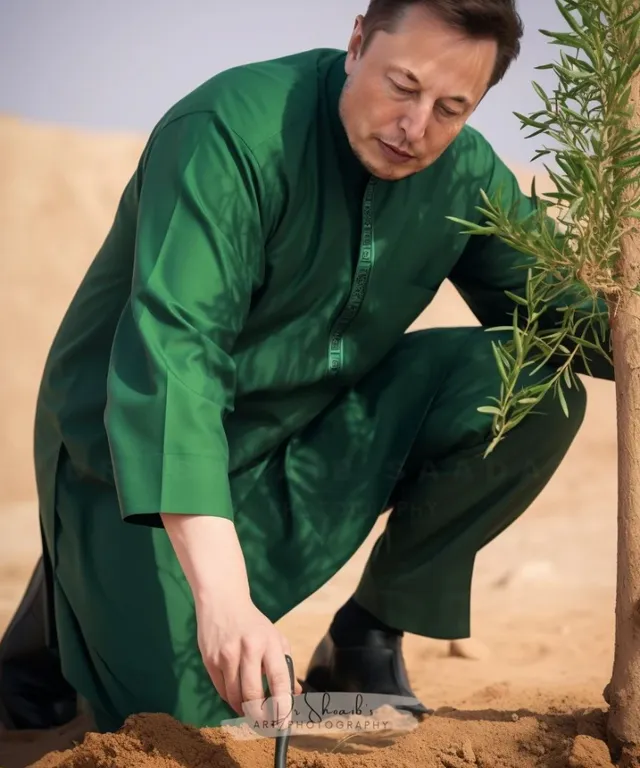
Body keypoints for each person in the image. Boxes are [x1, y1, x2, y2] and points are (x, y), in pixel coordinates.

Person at [0, 0, 614, 735]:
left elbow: (576, 320)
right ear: (357, 42)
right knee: (189, 727)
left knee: (532, 386)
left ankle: (366, 639)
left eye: (453, 107)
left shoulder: (462, 172)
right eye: (403, 85)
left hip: (299, 444)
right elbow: (175, 357)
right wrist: (223, 600)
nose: (416, 127)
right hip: (132, 467)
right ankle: (67, 604)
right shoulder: (229, 132)